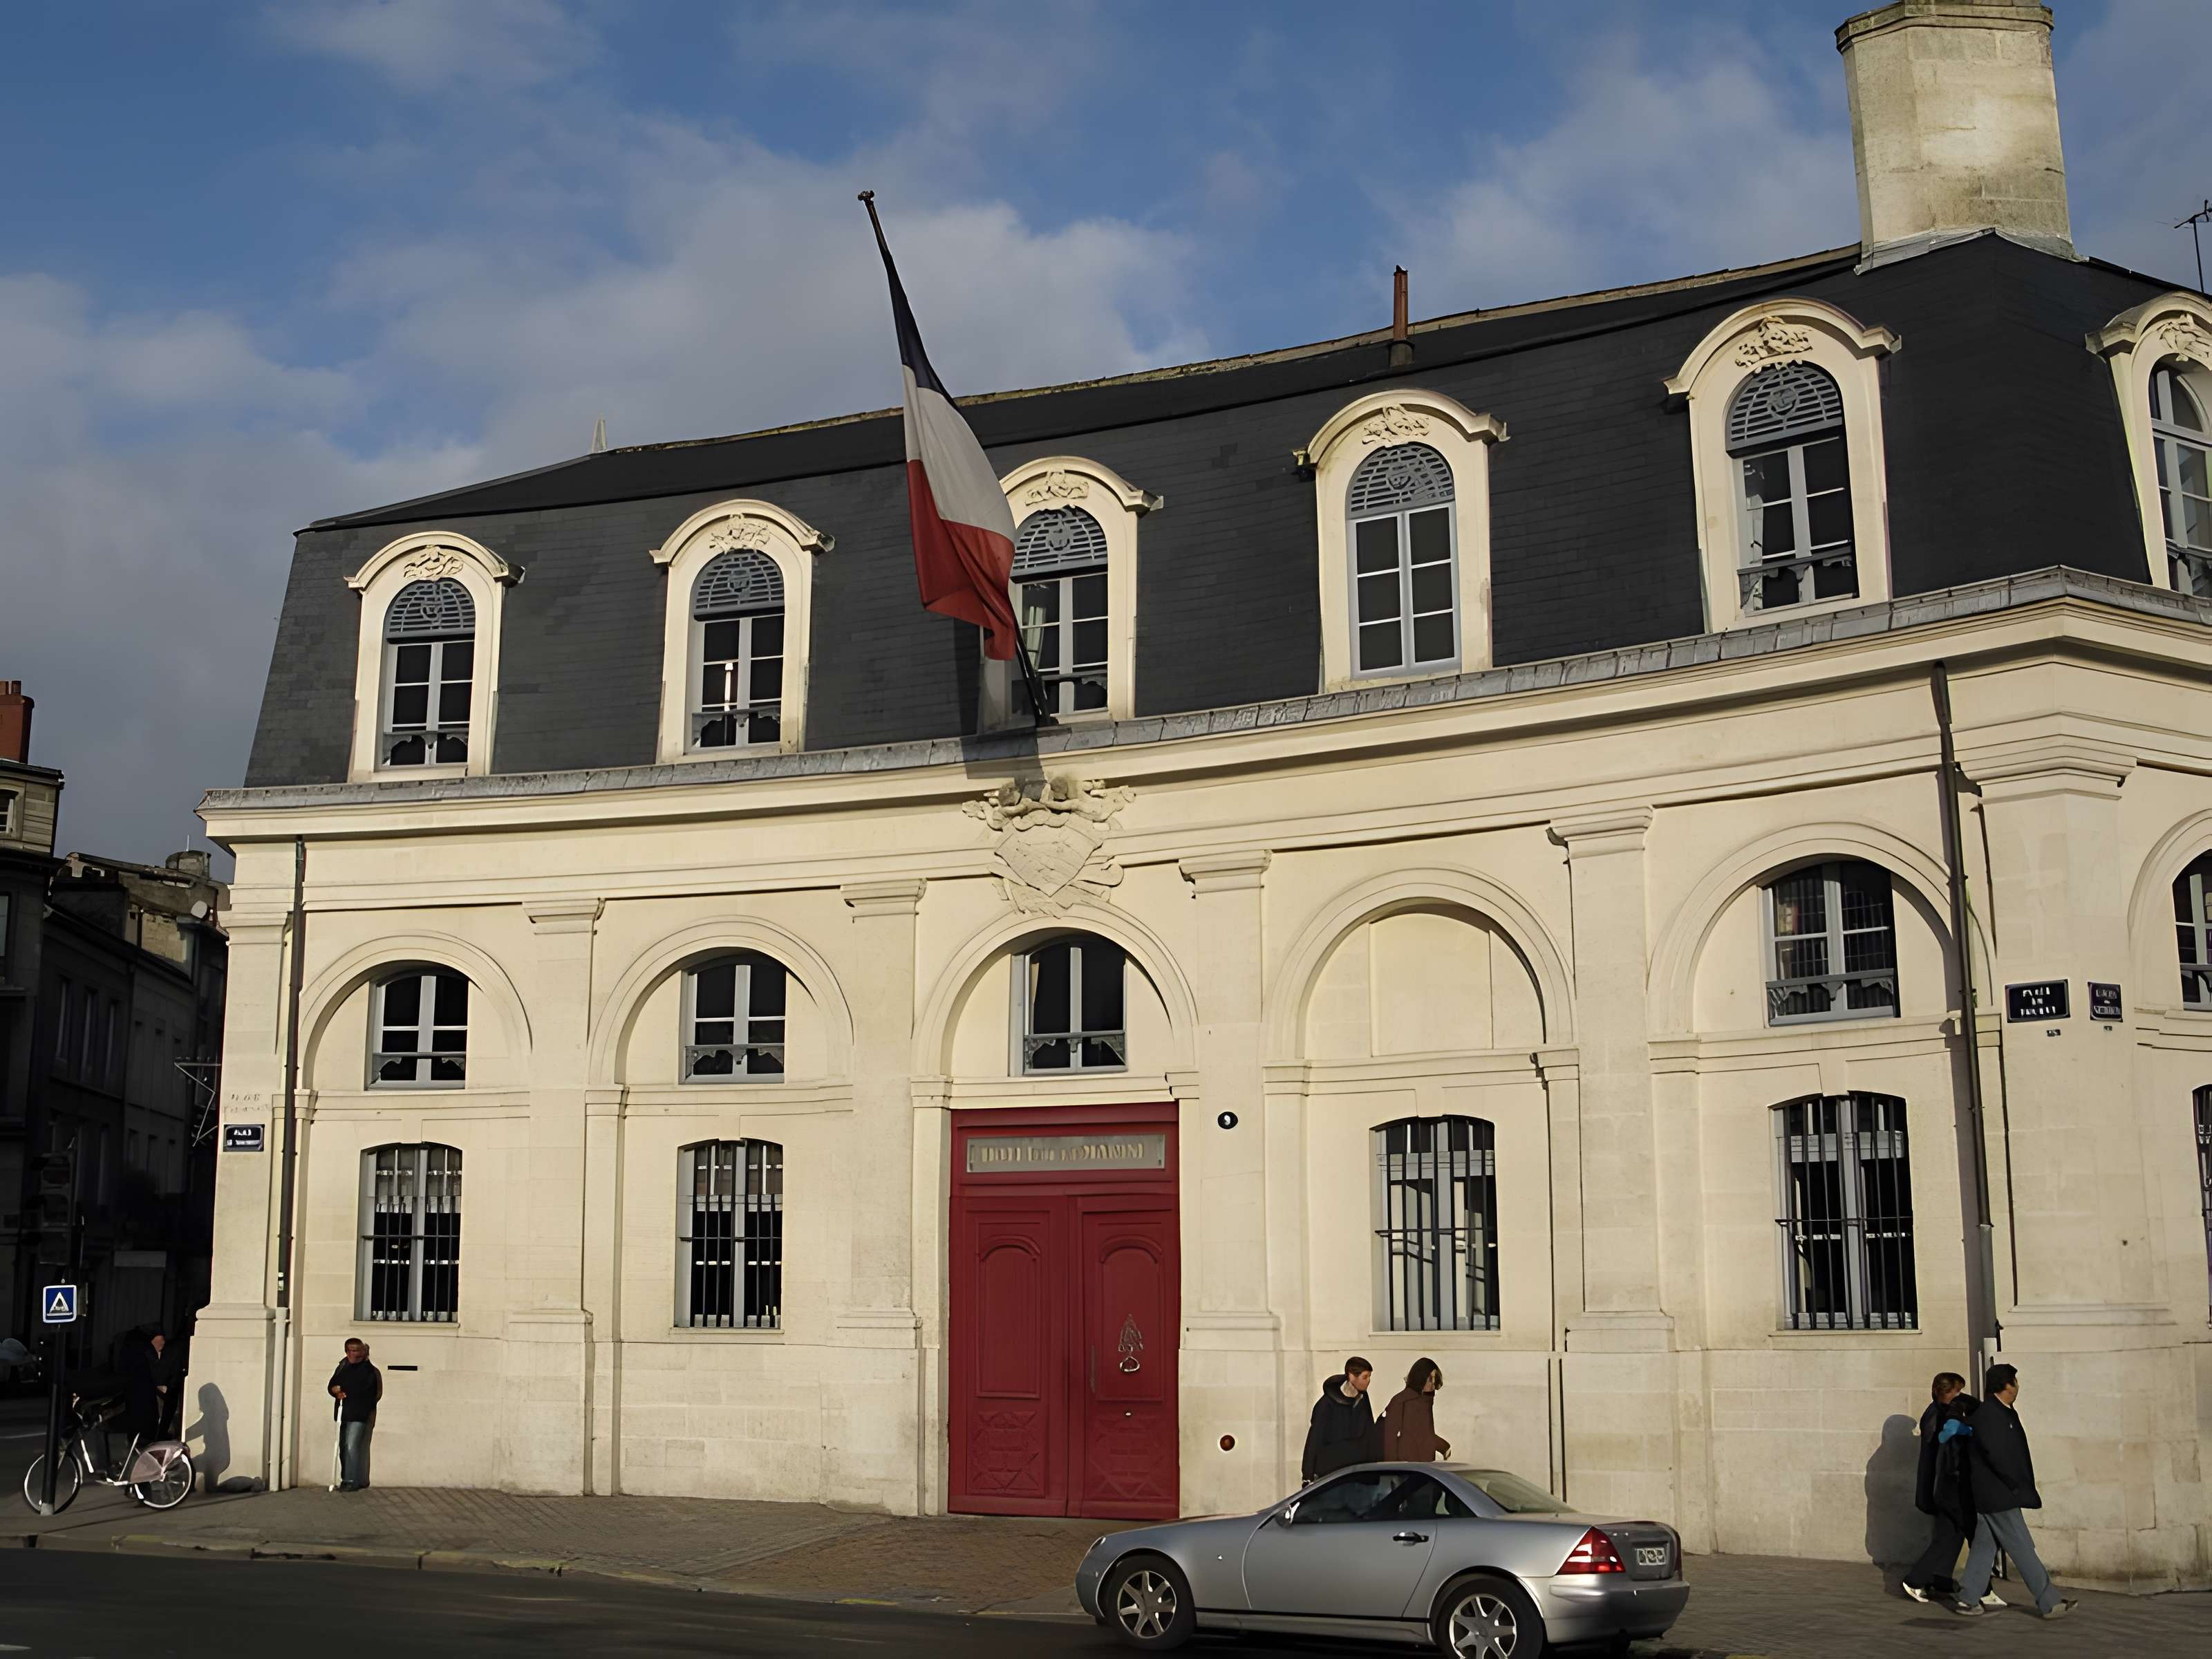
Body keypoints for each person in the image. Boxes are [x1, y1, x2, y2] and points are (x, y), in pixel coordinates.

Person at [1951, 1364, 2077, 1620]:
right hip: (1999, 1494)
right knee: (2022, 1547)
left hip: (1994, 1494)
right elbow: (1999, 1456)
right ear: (2007, 1386)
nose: (2018, 1385)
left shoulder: (2001, 1412)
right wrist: (2015, 1484)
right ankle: (2050, 1602)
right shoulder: (1991, 1415)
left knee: (1985, 1547)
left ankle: (1967, 1599)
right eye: (2015, 1381)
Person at [1901, 1371, 1983, 1604]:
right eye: (1957, 1391)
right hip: (1946, 1485)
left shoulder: (1939, 1412)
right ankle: (1917, 1580)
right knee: (1959, 1535)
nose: (1960, 1396)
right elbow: (1941, 1451)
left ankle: (1939, 1577)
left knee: (1951, 1534)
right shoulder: (1939, 1416)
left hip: (1943, 1485)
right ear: (1946, 1391)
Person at [1300, 1356, 1379, 1483]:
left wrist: (1374, 1473)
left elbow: (1369, 1433)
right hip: (1332, 1475)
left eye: (1369, 1377)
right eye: (1365, 1377)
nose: (1368, 1381)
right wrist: (1308, 1476)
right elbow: (1314, 1439)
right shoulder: (1326, 1404)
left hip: (1357, 1475)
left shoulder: (1363, 1399)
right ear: (1352, 1377)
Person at [328, 1338, 382, 1492]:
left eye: (358, 1350)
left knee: (352, 1446)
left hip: (359, 1414)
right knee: (343, 1447)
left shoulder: (369, 1370)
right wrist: (335, 1391)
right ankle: (346, 1478)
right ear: (347, 1352)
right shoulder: (343, 1367)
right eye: (352, 1350)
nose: (355, 1354)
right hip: (343, 1413)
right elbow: (332, 1384)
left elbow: (370, 1392)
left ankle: (352, 1480)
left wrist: (348, 1394)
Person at [1379, 1358, 1452, 1463]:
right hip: (1407, 1468)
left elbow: (1424, 1434)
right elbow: (1390, 1437)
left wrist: (1444, 1447)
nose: (1433, 1384)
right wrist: (1392, 1469)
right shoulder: (1402, 1401)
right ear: (1420, 1377)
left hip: (1424, 1466)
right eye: (1430, 1378)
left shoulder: (1425, 1401)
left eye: (1434, 1379)